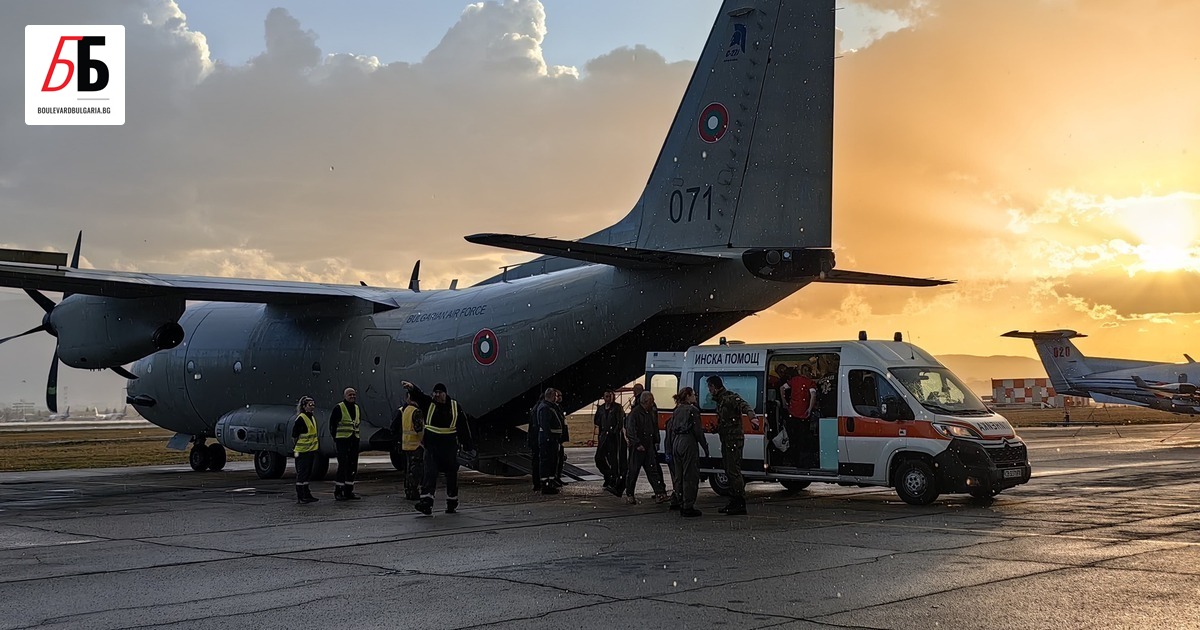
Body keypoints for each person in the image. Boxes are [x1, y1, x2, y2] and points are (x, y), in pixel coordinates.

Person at [403, 381, 475, 515]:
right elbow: (419, 396)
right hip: (432, 448)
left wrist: (468, 445)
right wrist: (412, 388)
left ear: (445, 394)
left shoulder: (455, 407)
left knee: (451, 475)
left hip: (449, 448)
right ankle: (426, 503)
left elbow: (463, 426)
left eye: (439, 393)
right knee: (429, 474)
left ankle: (452, 502)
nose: (436, 395)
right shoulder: (429, 404)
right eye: (435, 392)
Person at [706, 375, 759, 515]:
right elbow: (726, 422)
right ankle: (734, 501)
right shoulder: (720, 401)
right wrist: (716, 429)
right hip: (727, 439)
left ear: (715, 386)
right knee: (729, 470)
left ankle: (739, 502)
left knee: (733, 471)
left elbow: (745, 406)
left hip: (733, 440)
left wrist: (753, 418)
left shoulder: (729, 398)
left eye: (710, 387)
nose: (709, 390)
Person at [665, 387, 709, 517]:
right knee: (690, 475)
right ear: (688, 396)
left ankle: (679, 500)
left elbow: (671, 428)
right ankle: (688, 505)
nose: (695, 397)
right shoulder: (692, 410)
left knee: (678, 475)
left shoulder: (677, 410)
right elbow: (698, 431)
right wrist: (705, 446)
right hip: (688, 441)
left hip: (676, 441)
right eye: (693, 395)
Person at [624, 391, 669, 504]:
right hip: (638, 448)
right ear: (646, 401)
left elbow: (654, 428)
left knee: (653, 470)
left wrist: (656, 441)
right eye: (651, 401)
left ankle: (659, 493)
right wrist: (637, 444)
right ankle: (630, 494)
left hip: (648, 446)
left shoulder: (650, 412)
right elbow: (630, 430)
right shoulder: (635, 414)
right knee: (633, 471)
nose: (653, 403)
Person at [329, 387, 362, 501]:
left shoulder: (356, 408)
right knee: (342, 466)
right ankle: (338, 491)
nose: (352, 396)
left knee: (352, 466)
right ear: (345, 396)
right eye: (350, 395)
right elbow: (332, 425)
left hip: (354, 440)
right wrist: (336, 438)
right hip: (342, 441)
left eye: (353, 394)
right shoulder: (339, 408)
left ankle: (348, 491)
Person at [391, 390, 425, 501]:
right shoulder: (416, 411)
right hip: (416, 445)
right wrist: (423, 442)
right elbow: (419, 429)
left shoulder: (403, 410)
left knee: (408, 470)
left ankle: (408, 491)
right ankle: (413, 492)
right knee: (415, 471)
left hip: (406, 445)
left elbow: (395, 428)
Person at [594, 389, 626, 495]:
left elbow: (620, 422)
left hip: (613, 437)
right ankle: (608, 475)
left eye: (610, 396)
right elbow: (597, 421)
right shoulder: (601, 408)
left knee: (614, 460)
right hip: (604, 436)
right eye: (606, 396)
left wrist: (614, 432)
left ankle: (614, 479)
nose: (608, 398)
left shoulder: (617, 408)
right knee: (599, 458)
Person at [533, 388, 564, 494]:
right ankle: (546, 485)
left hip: (552, 439)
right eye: (555, 396)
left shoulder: (550, 407)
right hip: (548, 440)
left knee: (552, 462)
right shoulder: (545, 408)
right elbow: (545, 425)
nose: (557, 398)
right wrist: (549, 437)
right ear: (551, 396)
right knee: (546, 462)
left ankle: (550, 482)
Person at [292, 396, 320, 504]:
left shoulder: (311, 417)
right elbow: (295, 435)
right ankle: (301, 496)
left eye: (313, 404)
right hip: (302, 451)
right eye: (310, 405)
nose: (312, 407)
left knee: (307, 474)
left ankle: (307, 494)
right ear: (304, 406)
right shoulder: (301, 418)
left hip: (310, 450)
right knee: (302, 474)